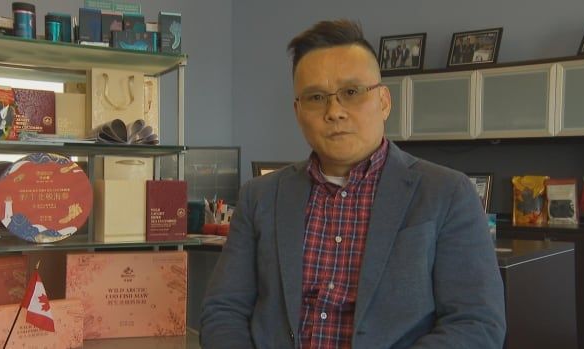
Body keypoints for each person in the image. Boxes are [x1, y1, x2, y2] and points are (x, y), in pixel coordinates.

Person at [200, 19, 506, 349]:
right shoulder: (259, 196)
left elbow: (476, 324)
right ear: (298, 112)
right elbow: (223, 312)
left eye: (351, 92)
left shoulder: (447, 193)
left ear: (384, 101)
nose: (334, 111)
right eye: (316, 97)